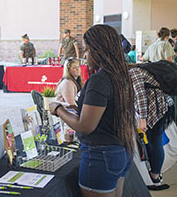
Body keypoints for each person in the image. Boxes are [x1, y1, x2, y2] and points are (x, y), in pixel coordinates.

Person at [50, 24, 135, 197]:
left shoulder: (100, 80)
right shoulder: (121, 75)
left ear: (98, 50)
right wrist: (79, 108)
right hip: (121, 150)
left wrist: (58, 109)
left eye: (87, 50)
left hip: (101, 155)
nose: (85, 55)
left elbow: (86, 126)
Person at [129, 66, 174, 187]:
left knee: (155, 141)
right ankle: (155, 173)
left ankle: (155, 176)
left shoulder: (133, 73)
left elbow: (141, 96)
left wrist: (142, 119)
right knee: (152, 141)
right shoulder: (140, 70)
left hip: (155, 109)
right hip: (160, 106)